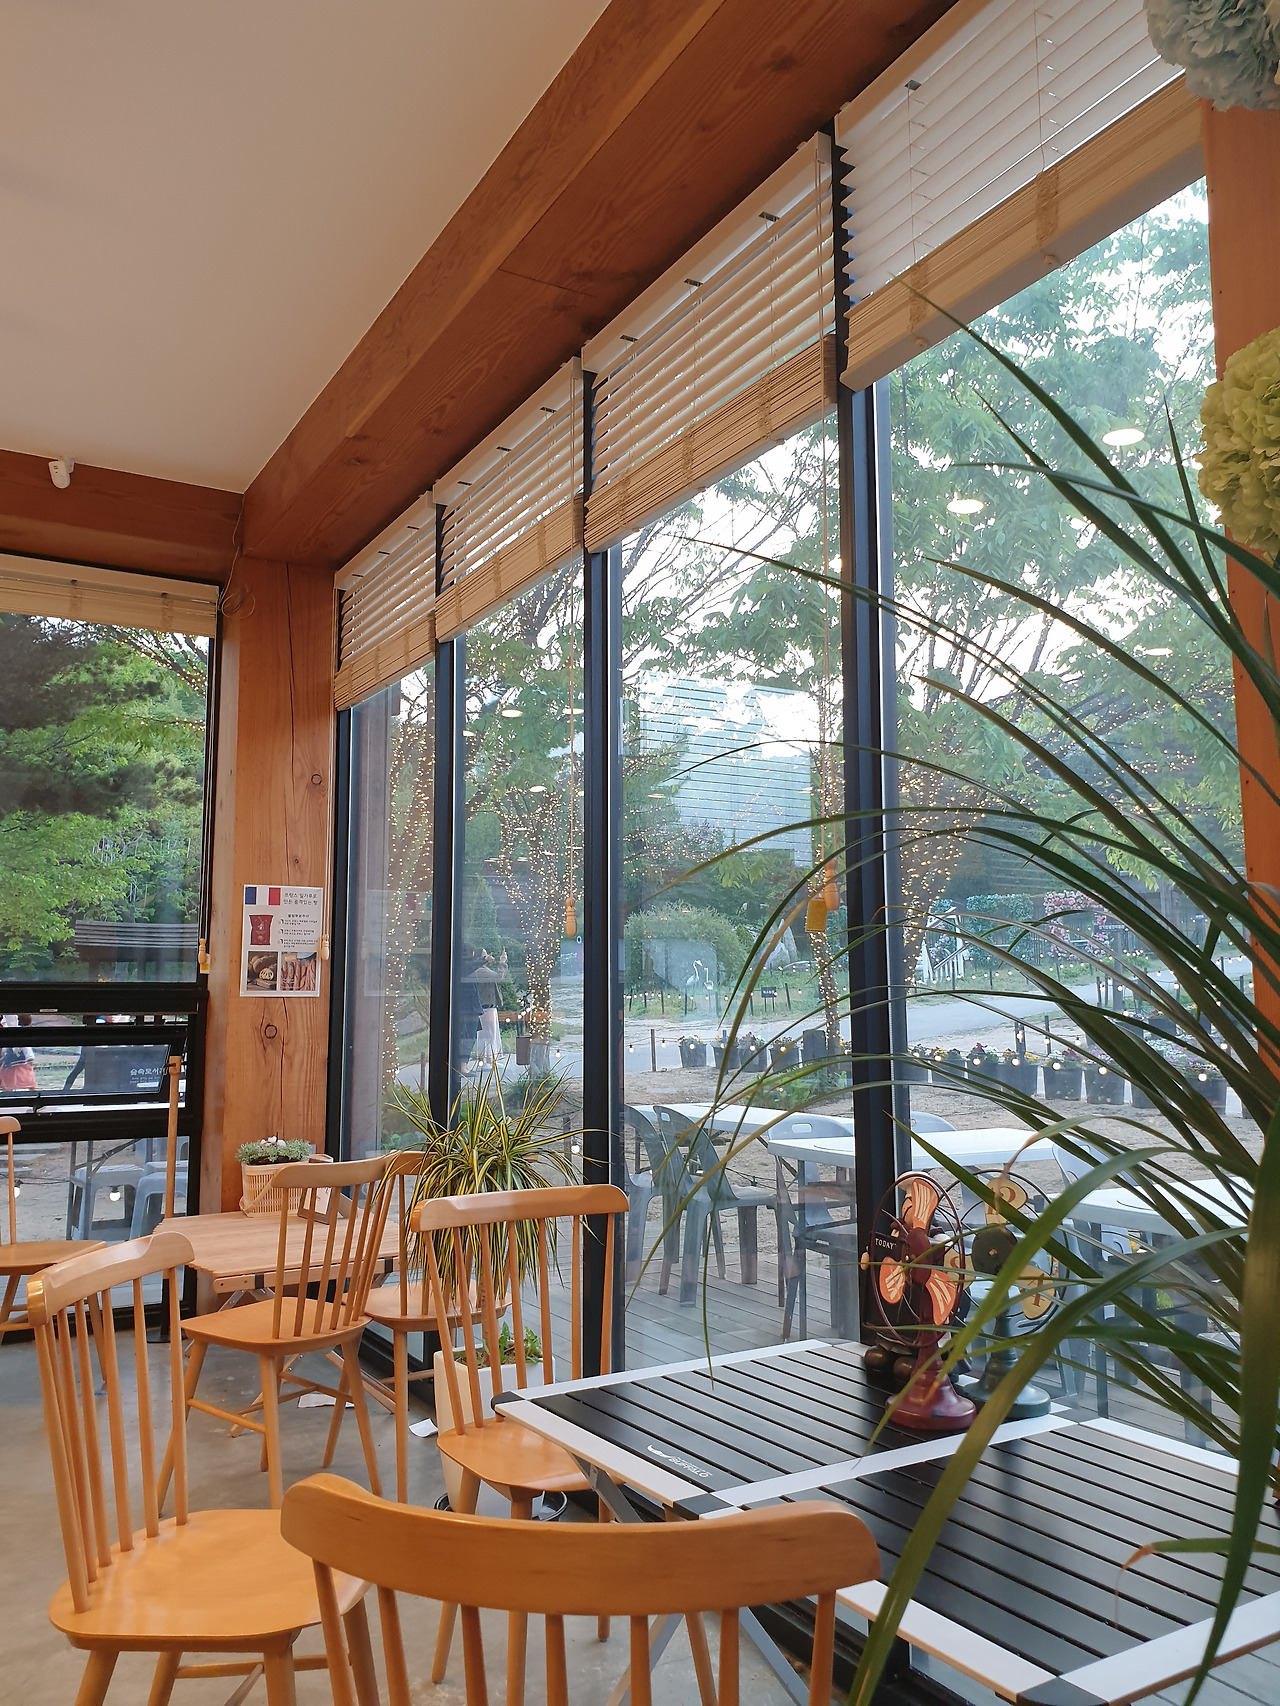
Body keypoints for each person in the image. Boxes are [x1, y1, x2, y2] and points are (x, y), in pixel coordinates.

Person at [0, 1014, 38, 1093]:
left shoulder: (17, 1030)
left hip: (18, 1060)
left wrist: (30, 1057)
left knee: (25, 1078)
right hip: (14, 1059)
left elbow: (26, 1046)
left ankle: (7, 1093)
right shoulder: (14, 1028)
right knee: (9, 1077)